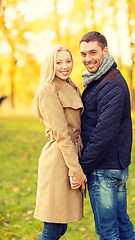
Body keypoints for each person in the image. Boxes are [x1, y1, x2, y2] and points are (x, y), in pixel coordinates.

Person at [79, 31, 135, 240]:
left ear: (105, 51)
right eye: (83, 54)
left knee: (108, 232)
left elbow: (104, 133)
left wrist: (82, 167)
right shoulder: (101, 79)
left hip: (104, 169)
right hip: (114, 166)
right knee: (122, 226)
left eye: (93, 52)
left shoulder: (109, 83)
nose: (88, 59)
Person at [34, 44, 87, 240]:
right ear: (51, 64)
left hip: (71, 155)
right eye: (59, 62)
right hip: (59, 160)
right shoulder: (48, 89)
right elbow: (63, 134)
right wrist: (76, 170)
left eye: (68, 61)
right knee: (53, 229)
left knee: (60, 228)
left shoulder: (71, 85)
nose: (65, 66)